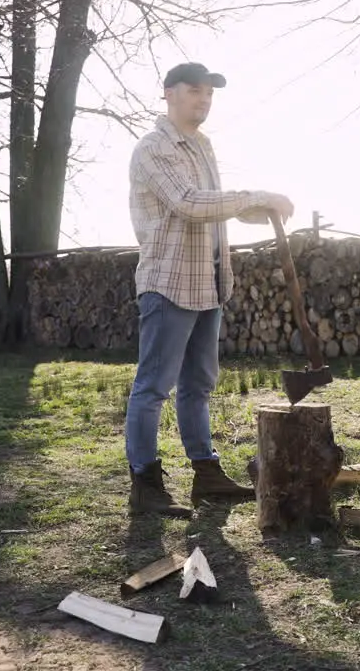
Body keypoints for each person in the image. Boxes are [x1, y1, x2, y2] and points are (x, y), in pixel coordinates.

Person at [124, 61, 294, 517]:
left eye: (209, 94)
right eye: (195, 91)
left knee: (198, 385)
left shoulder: (202, 147)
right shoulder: (154, 149)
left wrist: (268, 211)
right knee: (153, 387)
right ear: (169, 94)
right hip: (169, 282)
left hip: (209, 281)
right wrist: (256, 195)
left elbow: (221, 210)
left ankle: (207, 474)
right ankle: (145, 484)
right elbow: (188, 204)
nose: (203, 100)